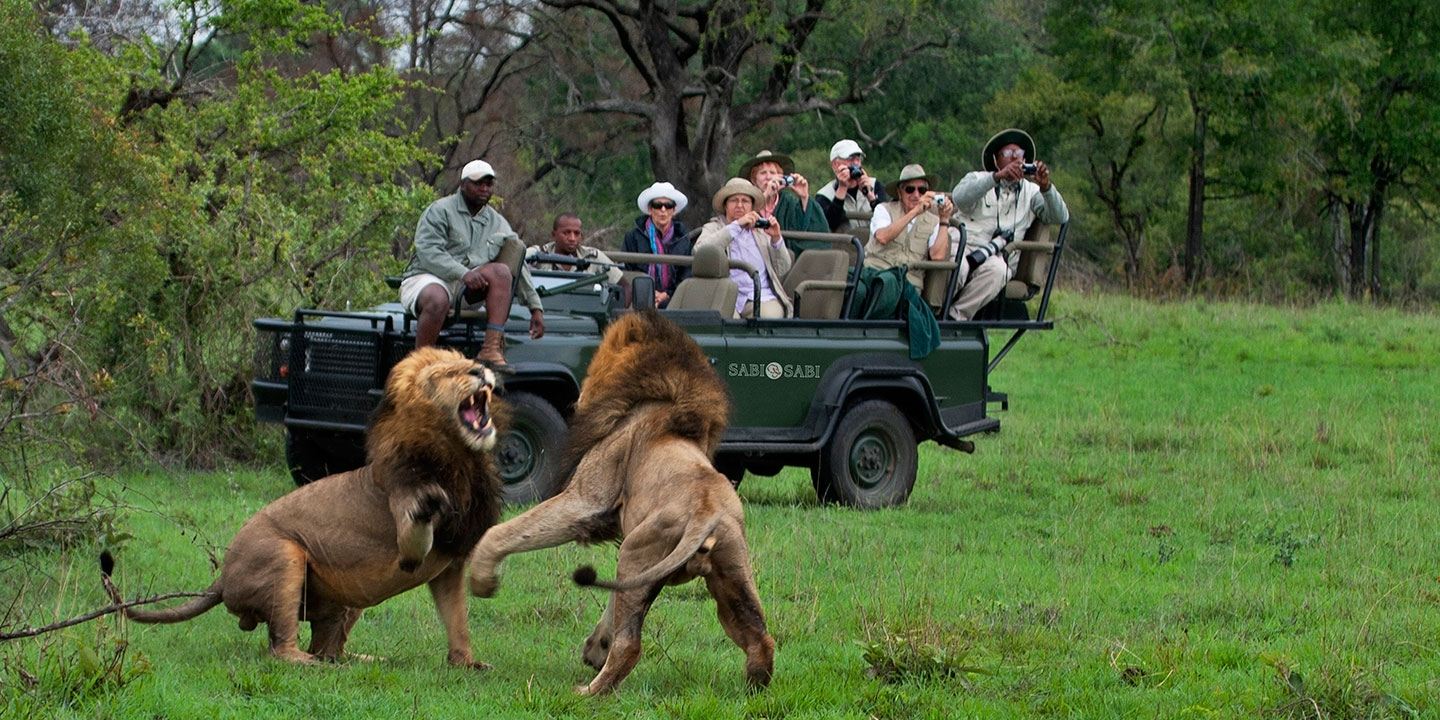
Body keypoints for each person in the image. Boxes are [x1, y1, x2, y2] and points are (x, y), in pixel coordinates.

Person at [398, 159, 544, 368]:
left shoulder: (498, 222)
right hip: (427, 277)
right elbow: (428, 252)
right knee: (437, 299)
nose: (484, 189)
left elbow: (517, 261)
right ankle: (420, 364)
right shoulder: (440, 210)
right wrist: (463, 273)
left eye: (489, 184)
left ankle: (491, 349)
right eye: (478, 184)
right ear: (463, 184)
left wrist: (535, 308)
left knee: (502, 271)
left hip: (466, 287)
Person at [945, 128, 1069, 321]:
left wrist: (1046, 187)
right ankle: (933, 313)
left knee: (1000, 271)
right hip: (965, 246)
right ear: (996, 160)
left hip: (997, 255)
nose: (1015, 159)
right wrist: (996, 177)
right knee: (959, 267)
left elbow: (1060, 216)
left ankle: (955, 318)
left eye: (1019, 154)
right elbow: (960, 199)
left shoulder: (1032, 192)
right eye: (1008, 154)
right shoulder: (977, 178)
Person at [696, 178, 794, 319]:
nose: (740, 205)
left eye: (745, 201)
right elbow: (700, 252)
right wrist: (736, 226)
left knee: (768, 317)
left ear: (752, 207)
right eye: (734, 200)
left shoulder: (762, 232)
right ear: (725, 206)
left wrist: (776, 239)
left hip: (762, 296)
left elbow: (782, 269)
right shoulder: (714, 227)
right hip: (725, 295)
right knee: (724, 321)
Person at [864, 164, 952, 291]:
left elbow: (937, 256)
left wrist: (944, 219)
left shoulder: (934, 221)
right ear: (900, 193)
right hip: (876, 275)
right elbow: (883, 237)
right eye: (910, 189)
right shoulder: (884, 209)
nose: (916, 195)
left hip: (908, 285)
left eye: (921, 190)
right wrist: (914, 212)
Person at [737, 150, 830, 255]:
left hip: (784, 256)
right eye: (763, 173)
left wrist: (804, 197)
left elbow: (807, 227)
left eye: (772, 173)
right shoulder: (747, 200)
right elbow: (739, 221)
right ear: (754, 180)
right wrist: (766, 194)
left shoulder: (788, 201)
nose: (768, 177)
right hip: (753, 254)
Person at [621, 182, 692, 308]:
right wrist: (646, 293)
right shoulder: (633, 236)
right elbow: (627, 271)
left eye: (668, 205)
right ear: (650, 209)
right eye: (657, 205)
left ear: (674, 210)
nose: (663, 210)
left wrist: (666, 295)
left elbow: (686, 276)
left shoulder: (684, 238)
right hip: (637, 300)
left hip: (674, 301)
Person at [815, 139, 889, 233]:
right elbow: (830, 224)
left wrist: (870, 195)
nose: (855, 163)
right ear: (835, 164)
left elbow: (888, 217)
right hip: (843, 245)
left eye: (858, 159)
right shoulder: (824, 195)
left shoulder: (874, 185)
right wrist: (842, 188)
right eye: (850, 159)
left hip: (873, 244)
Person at [527, 213, 623, 284]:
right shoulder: (538, 254)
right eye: (566, 233)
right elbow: (514, 264)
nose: (572, 239)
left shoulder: (592, 257)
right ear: (554, 235)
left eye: (576, 233)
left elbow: (625, 286)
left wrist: (616, 311)